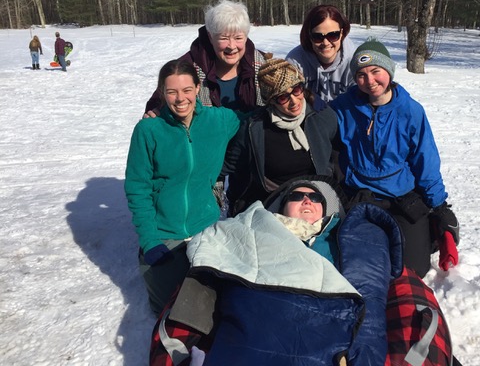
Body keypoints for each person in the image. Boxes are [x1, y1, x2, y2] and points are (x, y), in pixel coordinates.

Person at [150, 176, 404, 366]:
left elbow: (372, 289)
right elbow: (210, 253)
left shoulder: (343, 237)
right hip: (258, 321)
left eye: (316, 198)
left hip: (327, 324)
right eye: (296, 196)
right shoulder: (253, 228)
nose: (307, 200)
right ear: (280, 207)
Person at [330, 38, 460, 277]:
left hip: (401, 196)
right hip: (360, 195)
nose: (370, 81)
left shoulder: (410, 110)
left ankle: (424, 233)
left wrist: (439, 205)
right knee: (363, 266)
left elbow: (425, 160)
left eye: (376, 71)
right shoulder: (342, 108)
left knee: (414, 269)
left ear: (388, 70)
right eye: (361, 75)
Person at [124, 59, 241, 315]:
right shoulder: (148, 130)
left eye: (187, 90)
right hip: (164, 233)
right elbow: (137, 188)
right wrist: (150, 240)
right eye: (172, 92)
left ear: (198, 88)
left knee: (215, 307)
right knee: (170, 311)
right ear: (162, 93)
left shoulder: (218, 120)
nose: (180, 99)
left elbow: (253, 119)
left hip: (206, 228)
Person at [223, 58, 337, 216]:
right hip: (274, 198)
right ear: (271, 102)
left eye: (296, 90)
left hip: (317, 193)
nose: (294, 101)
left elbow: (337, 150)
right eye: (283, 97)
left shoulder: (321, 116)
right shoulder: (254, 128)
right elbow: (230, 165)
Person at [144, 0, 269, 116]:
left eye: (238, 38)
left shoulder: (263, 66)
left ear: (246, 36)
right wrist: (156, 111)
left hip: (252, 138)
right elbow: (160, 100)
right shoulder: (188, 67)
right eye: (224, 38)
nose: (231, 46)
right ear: (210, 37)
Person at [286, 4, 357, 104]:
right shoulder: (295, 61)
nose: (326, 43)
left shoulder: (354, 62)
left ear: (341, 33)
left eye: (333, 35)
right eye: (317, 37)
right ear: (309, 36)